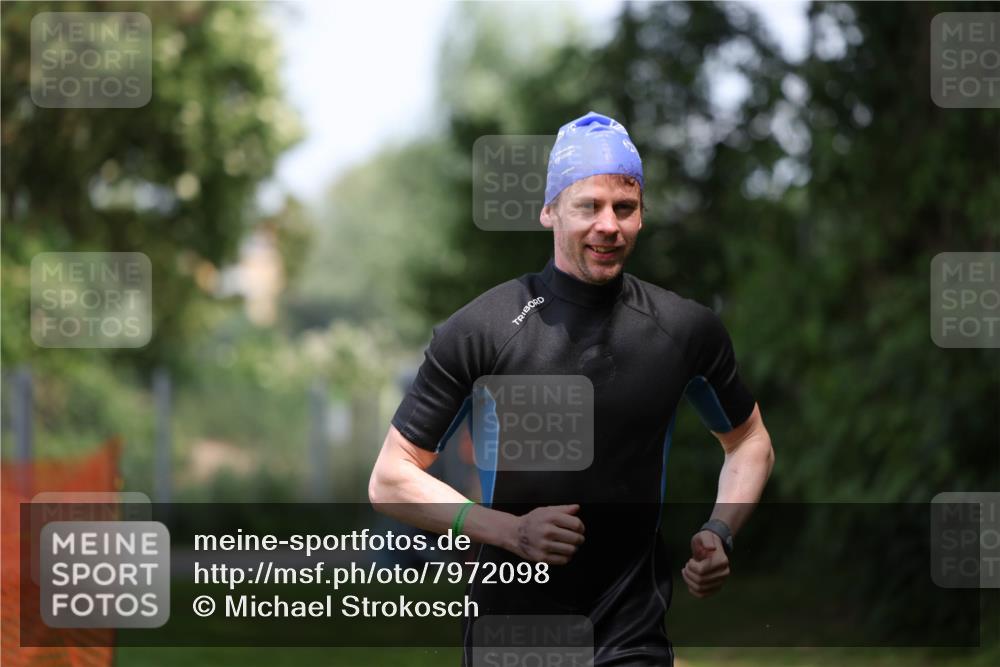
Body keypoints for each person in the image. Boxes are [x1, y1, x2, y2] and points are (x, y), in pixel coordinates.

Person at [369, 111, 775, 666]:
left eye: (624, 208)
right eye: (588, 206)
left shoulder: (684, 330)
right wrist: (511, 533)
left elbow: (749, 441)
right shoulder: (484, 329)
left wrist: (720, 529)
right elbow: (391, 478)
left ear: (640, 216)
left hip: (633, 635)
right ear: (549, 211)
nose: (608, 224)